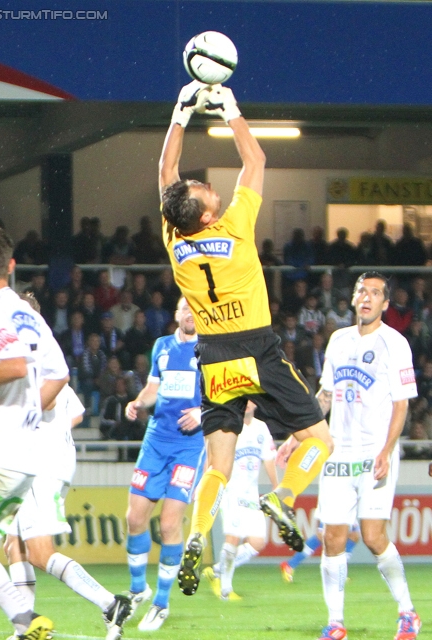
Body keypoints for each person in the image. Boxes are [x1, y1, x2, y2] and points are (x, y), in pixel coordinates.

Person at [159, 81, 333, 596]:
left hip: (212, 356)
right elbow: (254, 158)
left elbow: (165, 176)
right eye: (201, 189)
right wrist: (228, 107)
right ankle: (283, 497)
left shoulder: (175, 237)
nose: (202, 184)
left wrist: (180, 113)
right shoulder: (233, 225)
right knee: (319, 442)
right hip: (256, 346)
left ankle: (196, 538)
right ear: (208, 213)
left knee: (218, 464)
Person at [305, 271, 420, 640]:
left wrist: (387, 450)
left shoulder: (395, 343)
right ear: (354, 299)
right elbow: (325, 397)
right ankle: (336, 623)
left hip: (375, 453)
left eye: (375, 293)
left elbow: (401, 406)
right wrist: (300, 433)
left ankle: (408, 612)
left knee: (372, 537)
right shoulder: (338, 340)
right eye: (361, 291)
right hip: (339, 452)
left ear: (385, 304)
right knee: (333, 538)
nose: (367, 297)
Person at [0, 225, 70, 640]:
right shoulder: (27, 313)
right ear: (11, 266)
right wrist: (29, 410)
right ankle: (26, 622)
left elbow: (13, 364)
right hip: (25, 458)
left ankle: (24, 617)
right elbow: (60, 373)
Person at [4, 379, 131, 640]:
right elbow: (77, 413)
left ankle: (110, 604)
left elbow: (47, 400)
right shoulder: (46, 367)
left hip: (42, 467)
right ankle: (27, 626)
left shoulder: (32, 369)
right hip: (48, 462)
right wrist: (53, 431)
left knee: (40, 553)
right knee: (13, 544)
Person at [124, 297, 205, 630]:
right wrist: (138, 402)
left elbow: (229, 398)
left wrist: (203, 413)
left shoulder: (212, 351)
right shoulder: (162, 346)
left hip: (188, 447)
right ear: (176, 314)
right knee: (134, 517)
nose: (190, 314)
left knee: (170, 525)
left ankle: (161, 602)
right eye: (185, 309)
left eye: (195, 309)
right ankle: (137, 588)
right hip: (156, 441)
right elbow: (153, 388)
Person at [202, 401, 277, 600]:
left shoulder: (261, 428)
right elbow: (211, 454)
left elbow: (269, 459)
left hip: (252, 493)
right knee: (233, 538)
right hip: (231, 489)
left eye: (253, 399)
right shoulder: (228, 425)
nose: (249, 403)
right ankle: (226, 591)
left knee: (257, 543)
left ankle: (217, 571)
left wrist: (277, 488)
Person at [280, 522, 360, 583]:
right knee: (322, 535)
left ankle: (338, 571)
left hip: (347, 505)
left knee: (354, 535)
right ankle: (290, 565)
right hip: (333, 504)